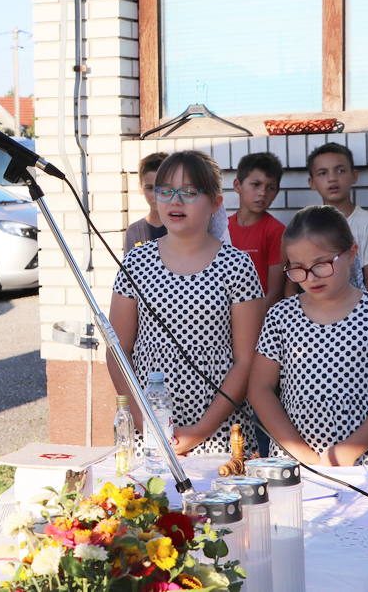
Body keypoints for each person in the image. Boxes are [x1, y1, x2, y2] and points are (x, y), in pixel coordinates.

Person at [107, 150, 265, 458]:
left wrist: (201, 430)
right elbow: (118, 349)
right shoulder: (136, 262)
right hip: (150, 426)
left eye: (189, 192)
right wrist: (143, 420)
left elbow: (246, 361)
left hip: (219, 428)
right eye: (165, 191)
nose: (175, 201)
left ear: (216, 203)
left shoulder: (237, 266)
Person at [248, 206, 368, 471]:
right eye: (298, 268)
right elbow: (260, 388)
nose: (311, 277)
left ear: (351, 253)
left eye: (322, 264)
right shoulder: (280, 316)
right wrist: (301, 453)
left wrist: (347, 451)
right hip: (296, 460)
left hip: (365, 459)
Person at [307, 143, 368, 294]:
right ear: (312, 183)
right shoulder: (306, 225)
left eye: (340, 171)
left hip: (358, 307)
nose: (332, 178)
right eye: (323, 173)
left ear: (354, 176)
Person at [228, 152, 286, 311]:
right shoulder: (222, 228)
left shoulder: (276, 231)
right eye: (256, 184)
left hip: (260, 318)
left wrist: (253, 322)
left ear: (276, 192)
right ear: (237, 185)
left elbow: (275, 293)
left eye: (270, 188)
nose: (263, 193)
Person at [124, 152, 168, 252]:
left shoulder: (182, 227)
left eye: (162, 188)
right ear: (140, 188)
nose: (156, 194)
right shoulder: (134, 231)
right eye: (150, 188)